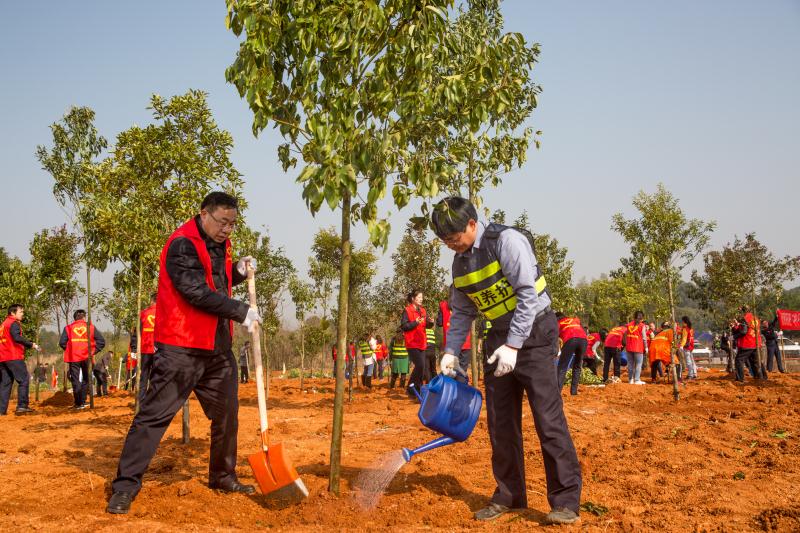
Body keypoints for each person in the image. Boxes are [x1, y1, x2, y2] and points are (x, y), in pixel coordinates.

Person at [107, 191, 262, 514]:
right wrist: (240, 310)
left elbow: (215, 280)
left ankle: (222, 475)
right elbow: (195, 291)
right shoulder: (182, 244)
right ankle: (125, 487)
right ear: (203, 214)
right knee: (154, 417)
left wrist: (238, 271)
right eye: (222, 222)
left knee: (226, 415)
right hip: (182, 348)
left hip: (217, 349)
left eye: (233, 224)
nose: (227, 230)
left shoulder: (219, 243)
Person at [432, 197, 581, 525]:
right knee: (501, 423)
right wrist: (451, 351)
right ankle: (509, 494)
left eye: (454, 237)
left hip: (534, 334)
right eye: (445, 241)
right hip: (498, 337)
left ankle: (565, 501)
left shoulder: (507, 242)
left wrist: (515, 346)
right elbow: (462, 311)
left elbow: (528, 295)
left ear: (472, 223)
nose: (451, 245)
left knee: (548, 419)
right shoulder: (460, 263)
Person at [59, 309, 106, 409]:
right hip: (86, 357)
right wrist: (93, 352)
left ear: (74, 318)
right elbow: (101, 342)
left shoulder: (68, 328)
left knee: (75, 379)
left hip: (73, 357)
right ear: (84, 317)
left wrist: (70, 350)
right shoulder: (90, 327)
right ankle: (83, 401)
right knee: (86, 379)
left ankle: (78, 403)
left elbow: (62, 343)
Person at [0, 304, 40, 415]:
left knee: (5, 383)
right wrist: (31, 344)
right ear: (13, 313)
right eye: (21, 312)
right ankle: (22, 406)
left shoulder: (3, 324)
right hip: (13, 356)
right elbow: (16, 337)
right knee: (24, 379)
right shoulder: (13, 323)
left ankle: (1, 410)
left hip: (3, 358)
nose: (23, 314)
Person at [400, 289, 431, 400]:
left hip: (422, 342)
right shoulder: (407, 310)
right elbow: (404, 326)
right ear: (413, 299)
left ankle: (416, 391)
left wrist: (430, 323)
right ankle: (410, 388)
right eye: (419, 297)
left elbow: (426, 325)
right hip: (412, 343)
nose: (421, 299)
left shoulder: (423, 311)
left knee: (422, 369)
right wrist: (415, 322)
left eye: (422, 298)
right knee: (420, 365)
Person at [438, 295, 473, 384]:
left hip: (450, 345)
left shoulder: (442, 305)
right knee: (462, 370)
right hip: (465, 342)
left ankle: (449, 393)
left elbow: (439, 322)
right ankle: (460, 394)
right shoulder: (466, 303)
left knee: (449, 370)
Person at [555, 313, 587, 396]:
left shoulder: (558, 323)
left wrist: (556, 352)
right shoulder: (574, 320)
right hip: (583, 340)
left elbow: (554, 338)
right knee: (577, 366)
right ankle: (574, 392)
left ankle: (557, 393)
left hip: (571, 339)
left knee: (562, 367)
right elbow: (582, 328)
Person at [731, 306, 761, 382]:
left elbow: (743, 331)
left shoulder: (745, 318)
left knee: (739, 360)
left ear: (743, 312)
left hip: (747, 342)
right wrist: (737, 326)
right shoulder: (755, 318)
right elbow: (747, 328)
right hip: (756, 342)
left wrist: (733, 337)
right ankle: (759, 377)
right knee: (755, 361)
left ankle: (740, 378)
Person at [137, 294, 158, 398]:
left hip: (145, 349)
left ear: (151, 301)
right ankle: (153, 400)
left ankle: (141, 400)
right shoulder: (163, 313)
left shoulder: (143, 313)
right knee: (156, 376)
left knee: (144, 375)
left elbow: (139, 331)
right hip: (158, 349)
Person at [622, 311, 648, 385]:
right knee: (638, 364)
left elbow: (624, 335)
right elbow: (644, 338)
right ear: (641, 318)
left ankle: (631, 379)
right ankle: (637, 380)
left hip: (629, 347)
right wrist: (646, 347)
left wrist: (625, 344)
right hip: (638, 347)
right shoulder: (642, 326)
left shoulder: (629, 325)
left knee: (630, 364)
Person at [677, 316, 697, 380]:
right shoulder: (690, 328)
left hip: (687, 346)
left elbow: (684, 338)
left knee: (688, 361)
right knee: (692, 360)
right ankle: (694, 374)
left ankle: (690, 375)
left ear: (684, 321)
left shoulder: (685, 329)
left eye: (682, 321)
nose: (681, 323)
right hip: (691, 345)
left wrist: (681, 345)